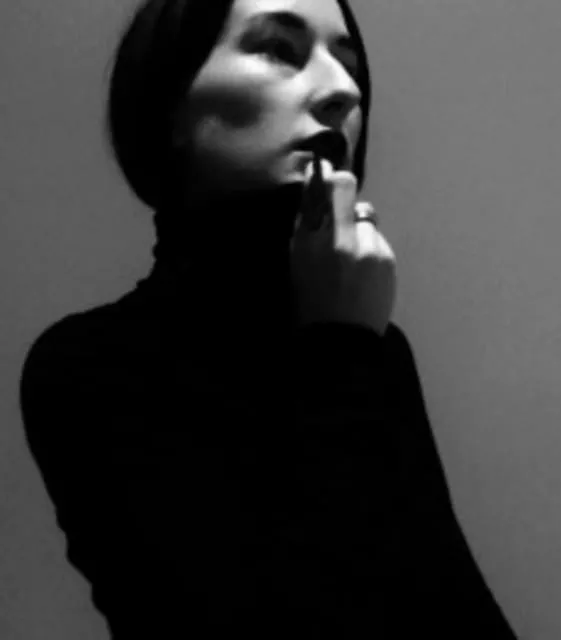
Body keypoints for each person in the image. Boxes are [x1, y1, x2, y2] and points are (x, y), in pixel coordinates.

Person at [19, 0, 519, 637]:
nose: (343, 91)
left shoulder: (374, 348)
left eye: (351, 66)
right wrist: (340, 348)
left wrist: (351, 345)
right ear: (170, 105)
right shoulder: (88, 366)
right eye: (279, 49)